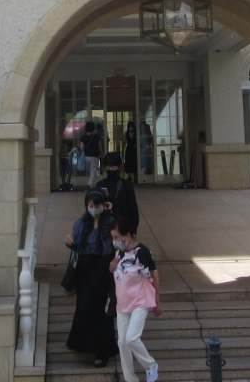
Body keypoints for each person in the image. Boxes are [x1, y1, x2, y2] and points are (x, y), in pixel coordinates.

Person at [64, 190, 118, 367]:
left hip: (103, 268)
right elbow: (78, 245)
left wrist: (110, 211)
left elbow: (116, 240)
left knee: (101, 309)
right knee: (84, 305)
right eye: (90, 206)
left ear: (103, 205)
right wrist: (69, 243)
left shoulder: (110, 222)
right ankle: (81, 342)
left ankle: (102, 351)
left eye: (97, 205)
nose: (93, 208)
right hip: (85, 269)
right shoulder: (81, 223)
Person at [109, 218, 161, 382]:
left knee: (131, 338)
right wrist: (112, 266)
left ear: (127, 235)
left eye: (117, 237)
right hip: (123, 302)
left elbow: (154, 274)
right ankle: (130, 379)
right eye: (113, 238)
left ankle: (150, 365)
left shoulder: (141, 252)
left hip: (140, 300)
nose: (115, 241)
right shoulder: (119, 253)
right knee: (122, 343)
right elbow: (114, 271)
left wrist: (157, 300)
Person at [95, 152, 139, 232]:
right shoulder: (100, 185)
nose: (110, 169)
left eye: (113, 167)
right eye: (108, 167)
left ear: (119, 167)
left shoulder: (126, 185)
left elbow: (132, 208)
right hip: (105, 225)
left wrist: (133, 229)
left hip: (122, 225)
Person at [80, 120, 104, 189]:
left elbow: (81, 148)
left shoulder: (83, 137)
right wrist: (101, 153)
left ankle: (92, 184)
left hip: (86, 156)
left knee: (89, 171)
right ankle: (90, 184)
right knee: (93, 170)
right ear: (93, 128)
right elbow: (100, 146)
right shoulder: (97, 137)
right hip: (94, 156)